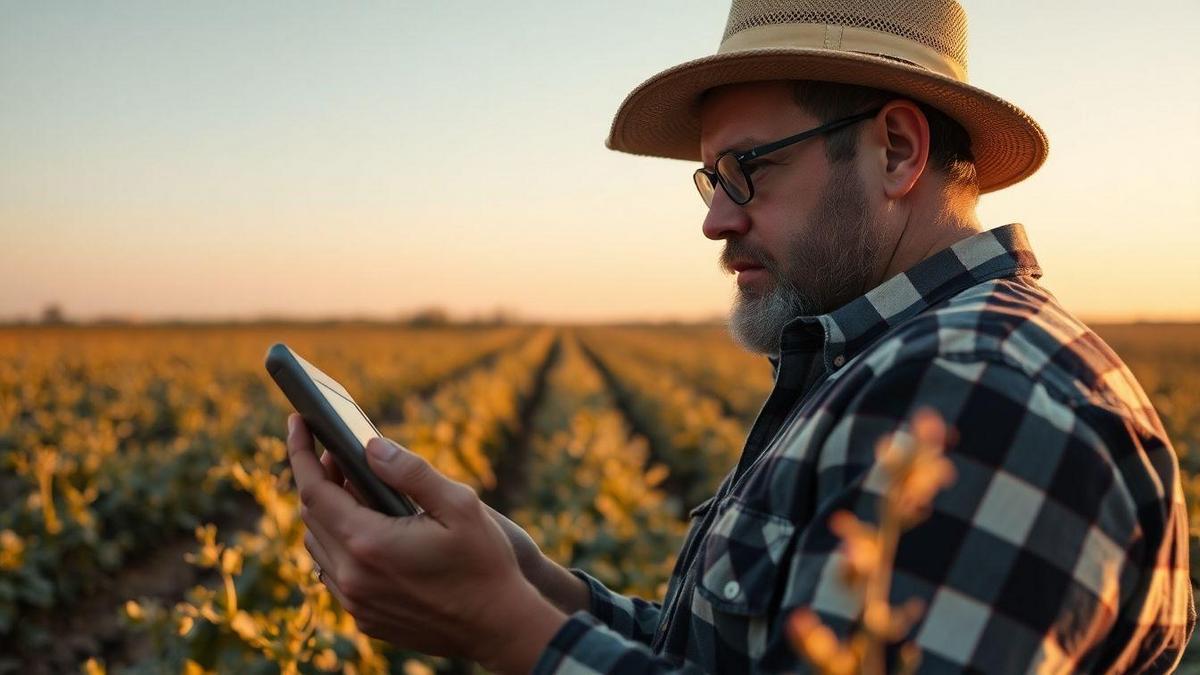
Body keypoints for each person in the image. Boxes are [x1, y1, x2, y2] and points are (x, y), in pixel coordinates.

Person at [285, 0, 1196, 672]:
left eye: (748, 169)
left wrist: (501, 629)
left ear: (897, 152)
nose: (717, 220)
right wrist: (532, 582)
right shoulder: (891, 363)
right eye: (710, 178)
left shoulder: (983, 394)